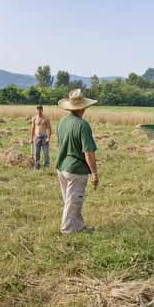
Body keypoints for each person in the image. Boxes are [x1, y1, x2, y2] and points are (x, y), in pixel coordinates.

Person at [55, 89, 99, 234]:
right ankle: (67, 230)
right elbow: (88, 152)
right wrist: (94, 173)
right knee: (73, 202)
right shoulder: (82, 125)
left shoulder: (62, 121)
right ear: (84, 107)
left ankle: (78, 226)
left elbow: (60, 143)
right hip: (76, 170)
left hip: (62, 167)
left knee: (71, 200)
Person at [29, 104, 52, 169]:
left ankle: (46, 166)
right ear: (36, 110)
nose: (39, 110)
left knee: (46, 153)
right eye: (38, 109)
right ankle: (37, 165)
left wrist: (48, 138)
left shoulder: (46, 119)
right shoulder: (34, 118)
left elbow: (49, 129)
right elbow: (32, 128)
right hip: (37, 137)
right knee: (36, 153)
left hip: (44, 137)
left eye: (40, 109)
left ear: (42, 110)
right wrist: (31, 138)